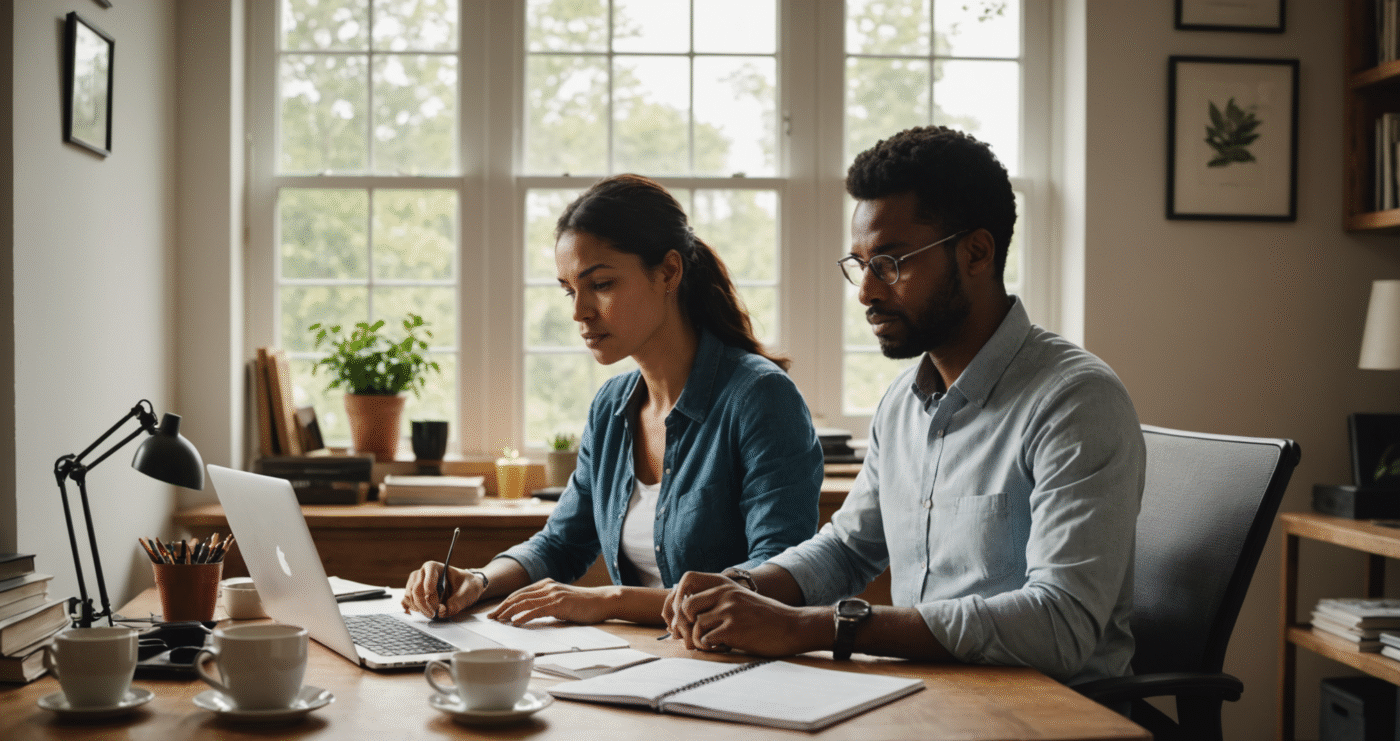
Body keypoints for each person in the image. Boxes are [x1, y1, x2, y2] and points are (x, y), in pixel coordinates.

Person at [662, 126, 1146, 688]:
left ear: (976, 253)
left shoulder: (1074, 401)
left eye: (890, 263)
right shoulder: (902, 403)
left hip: (1049, 726)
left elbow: (1060, 626)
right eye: (859, 264)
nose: (866, 291)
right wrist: (746, 587)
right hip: (930, 693)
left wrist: (816, 627)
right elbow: (848, 549)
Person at [402, 174, 824, 627]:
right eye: (569, 289)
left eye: (600, 284)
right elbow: (560, 544)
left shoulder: (759, 397)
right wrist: (478, 580)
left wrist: (609, 601)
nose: (579, 311)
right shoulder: (612, 406)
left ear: (669, 272)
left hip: (738, 672)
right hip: (644, 664)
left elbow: (772, 582)